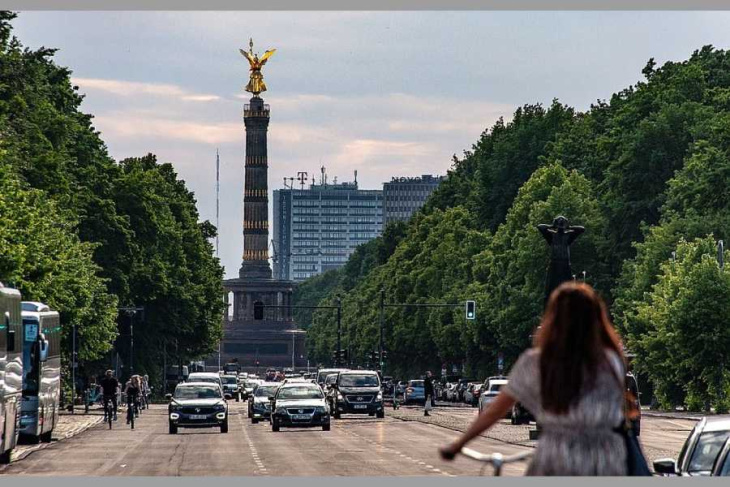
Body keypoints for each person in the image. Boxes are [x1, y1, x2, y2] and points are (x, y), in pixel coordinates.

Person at [439, 282, 628, 476]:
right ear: (596, 319)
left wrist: (458, 444)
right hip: (606, 460)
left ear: (553, 319)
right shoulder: (612, 360)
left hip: (556, 459)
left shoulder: (537, 362)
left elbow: (494, 410)